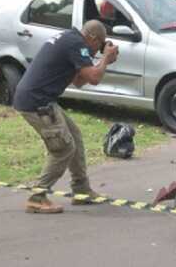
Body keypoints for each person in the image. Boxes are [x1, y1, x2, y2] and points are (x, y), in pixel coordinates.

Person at [13, 20, 120, 213]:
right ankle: (37, 197)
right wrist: (105, 59)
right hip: (37, 102)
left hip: (41, 99)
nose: (98, 50)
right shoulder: (75, 44)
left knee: (75, 137)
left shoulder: (70, 40)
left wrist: (101, 61)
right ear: (92, 38)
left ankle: (81, 190)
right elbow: (95, 79)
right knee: (63, 149)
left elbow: (80, 81)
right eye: (100, 44)